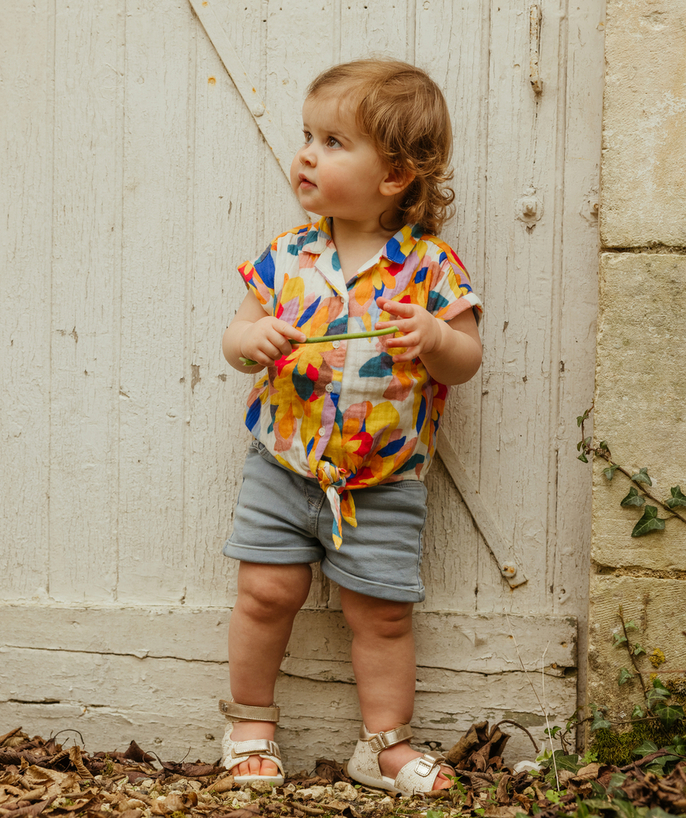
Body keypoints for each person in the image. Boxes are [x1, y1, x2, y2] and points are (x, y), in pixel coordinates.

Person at [220, 58, 483, 796]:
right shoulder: (286, 256)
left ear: (395, 175)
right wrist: (254, 340)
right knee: (265, 594)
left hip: (382, 482)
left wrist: (434, 338)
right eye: (308, 134)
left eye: (333, 141)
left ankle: (385, 747)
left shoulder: (429, 268)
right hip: (283, 467)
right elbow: (234, 340)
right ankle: (249, 726)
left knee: (384, 617)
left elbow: (465, 362)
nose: (307, 152)